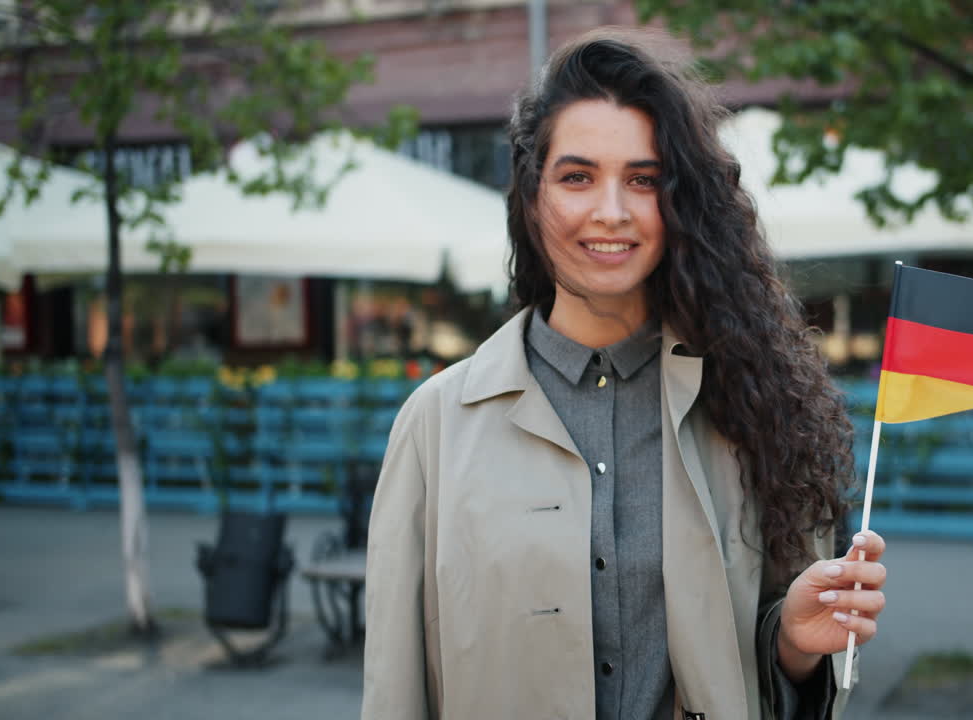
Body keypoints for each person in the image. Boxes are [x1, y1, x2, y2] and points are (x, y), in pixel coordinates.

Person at [363, 28, 887, 720]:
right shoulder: (434, 426)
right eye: (577, 177)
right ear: (531, 196)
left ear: (677, 205)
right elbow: (396, 690)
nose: (611, 213)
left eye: (643, 180)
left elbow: (774, 672)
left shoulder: (752, 407)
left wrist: (791, 643)